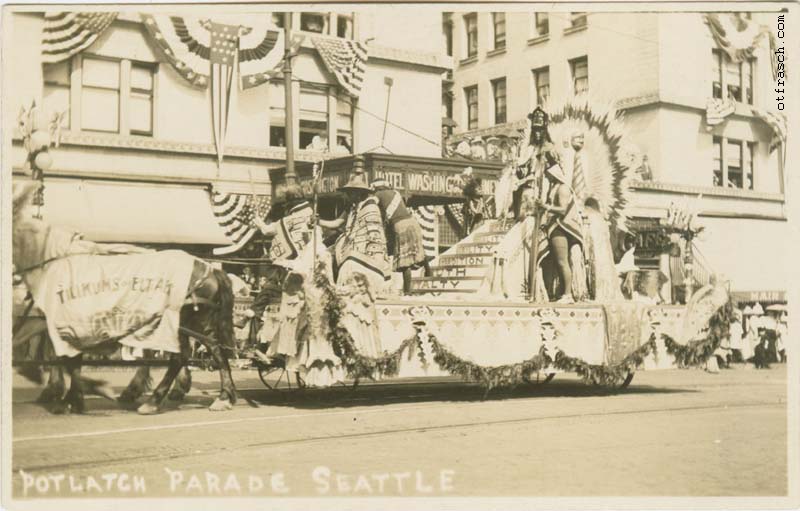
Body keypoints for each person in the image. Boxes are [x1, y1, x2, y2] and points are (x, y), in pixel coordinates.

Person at [318, 169, 391, 295]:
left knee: (349, 265)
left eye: (350, 193)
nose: (348, 196)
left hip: (368, 257)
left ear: (359, 193)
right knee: (324, 256)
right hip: (351, 250)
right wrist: (317, 221)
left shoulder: (371, 208)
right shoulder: (352, 208)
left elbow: (374, 238)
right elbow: (336, 223)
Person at [533, 164, 585, 303]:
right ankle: (562, 292)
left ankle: (568, 295)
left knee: (562, 262)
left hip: (561, 227)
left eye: (547, 174)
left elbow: (562, 210)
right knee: (558, 262)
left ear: (553, 173)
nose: (545, 176)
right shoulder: (554, 187)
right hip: (557, 226)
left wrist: (546, 207)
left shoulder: (562, 188)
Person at [370, 178, 432, 294]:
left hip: (400, 226)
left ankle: (407, 291)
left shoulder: (378, 195)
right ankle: (428, 269)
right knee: (417, 250)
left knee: (405, 261)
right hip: (413, 222)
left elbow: (371, 205)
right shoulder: (396, 193)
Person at [513, 107, 561, 221]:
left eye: (540, 130)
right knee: (525, 215)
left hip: (544, 183)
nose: (538, 133)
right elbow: (524, 166)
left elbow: (556, 170)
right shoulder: (531, 148)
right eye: (535, 130)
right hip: (531, 186)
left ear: (544, 131)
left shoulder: (550, 147)